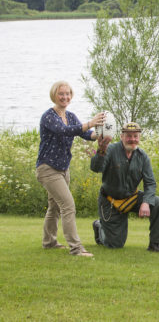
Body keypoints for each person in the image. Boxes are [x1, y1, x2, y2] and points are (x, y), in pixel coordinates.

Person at [36, 80, 105, 257]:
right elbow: (64, 131)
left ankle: (49, 242)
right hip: (48, 168)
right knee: (68, 205)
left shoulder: (71, 116)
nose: (65, 97)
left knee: (55, 207)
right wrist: (90, 122)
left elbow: (86, 134)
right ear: (54, 95)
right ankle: (76, 248)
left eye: (67, 94)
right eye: (61, 94)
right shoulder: (49, 116)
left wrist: (101, 133)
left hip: (63, 169)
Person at [91, 122, 159, 253]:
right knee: (114, 244)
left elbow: (150, 183)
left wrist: (146, 202)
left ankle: (155, 244)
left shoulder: (143, 156)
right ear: (121, 136)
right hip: (110, 201)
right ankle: (99, 226)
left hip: (131, 197)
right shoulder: (110, 150)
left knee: (157, 202)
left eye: (136, 136)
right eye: (129, 136)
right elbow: (96, 168)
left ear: (139, 137)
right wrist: (101, 151)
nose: (132, 139)